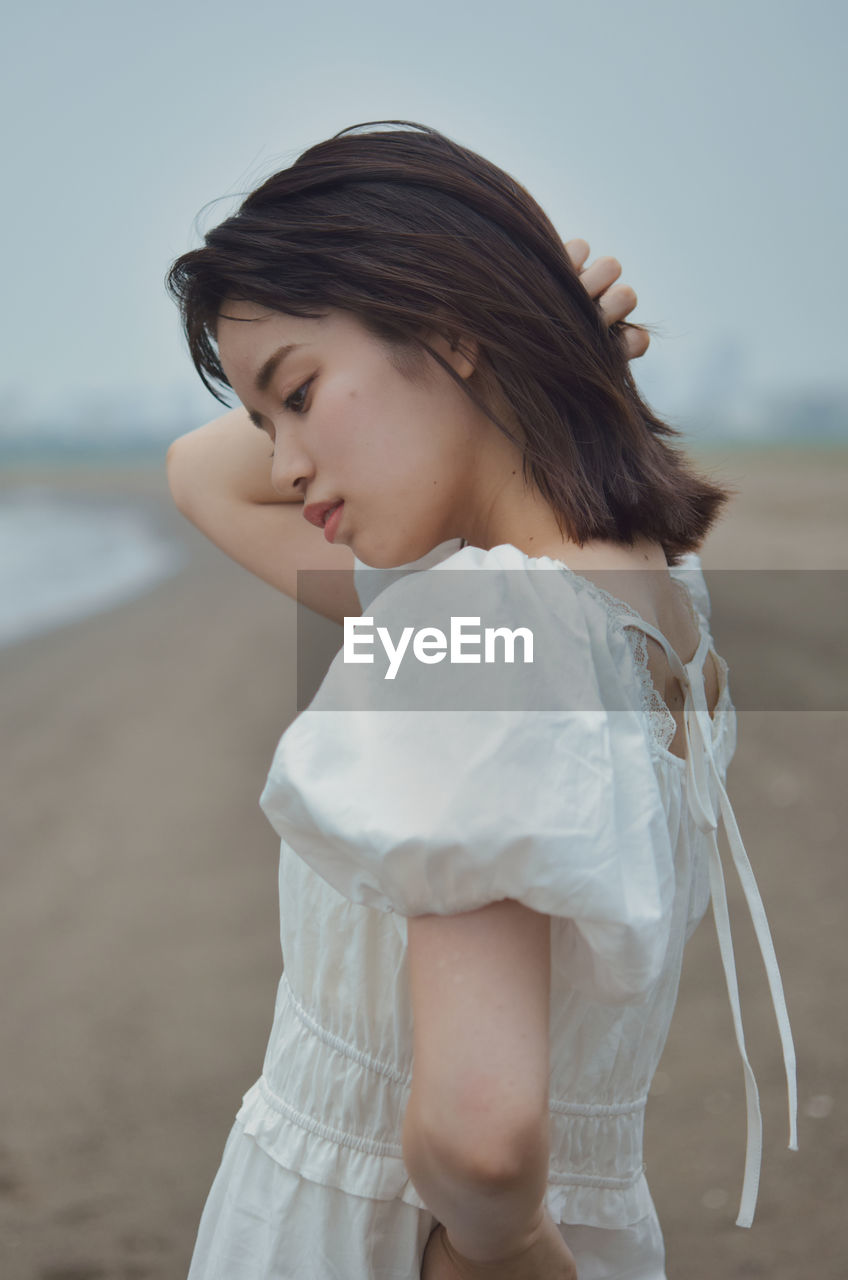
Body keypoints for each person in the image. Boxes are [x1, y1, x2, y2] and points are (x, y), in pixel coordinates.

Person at [165, 122, 797, 1280]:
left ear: (447, 327)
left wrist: (505, 1248)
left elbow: (481, 1135)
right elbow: (197, 473)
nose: (286, 460)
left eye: (300, 393)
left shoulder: (476, 627)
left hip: (393, 1237)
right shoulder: (652, 600)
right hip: (597, 1225)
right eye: (268, 420)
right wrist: (533, 334)